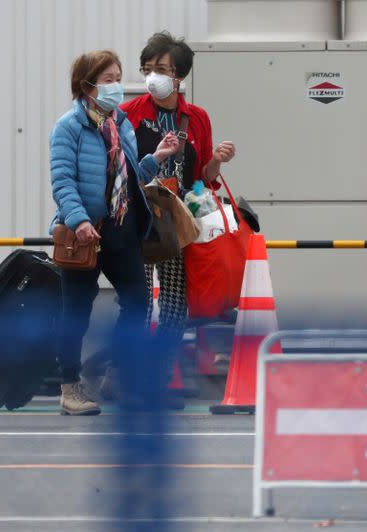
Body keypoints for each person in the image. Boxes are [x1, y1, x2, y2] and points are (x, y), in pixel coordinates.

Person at [50, 49, 180, 415]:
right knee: (75, 311)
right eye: (108, 80)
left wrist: (157, 158)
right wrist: (79, 221)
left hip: (121, 229)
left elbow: (129, 179)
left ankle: (116, 376)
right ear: (86, 85)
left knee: (138, 302)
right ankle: (69, 388)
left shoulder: (120, 123)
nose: (116, 86)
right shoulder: (68, 127)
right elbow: (62, 182)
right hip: (82, 235)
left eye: (118, 78)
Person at [120, 32, 236, 375]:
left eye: (160, 68)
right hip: (138, 217)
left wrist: (217, 160)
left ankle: (160, 371)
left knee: (174, 303)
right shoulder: (128, 114)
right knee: (136, 302)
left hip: (178, 220)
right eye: (147, 68)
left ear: (179, 76)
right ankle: (129, 372)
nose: (151, 76)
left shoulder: (196, 117)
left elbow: (204, 176)